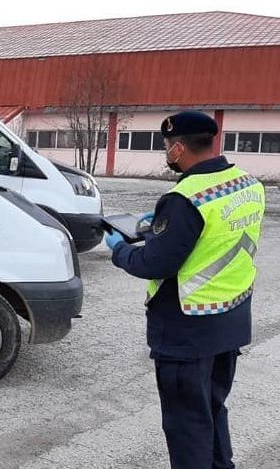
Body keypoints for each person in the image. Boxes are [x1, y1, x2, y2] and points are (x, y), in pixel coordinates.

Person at [104, 111, 264, 469]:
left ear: (178, 149)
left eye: (166, 147)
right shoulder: (248, 184)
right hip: (230, 322)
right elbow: (212, 238)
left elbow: (155, 264)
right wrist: (162, 227)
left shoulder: (185, 199)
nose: (166, 153)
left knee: (187, 424)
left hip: (188, 329)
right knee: (211, 407)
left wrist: (120, 249)